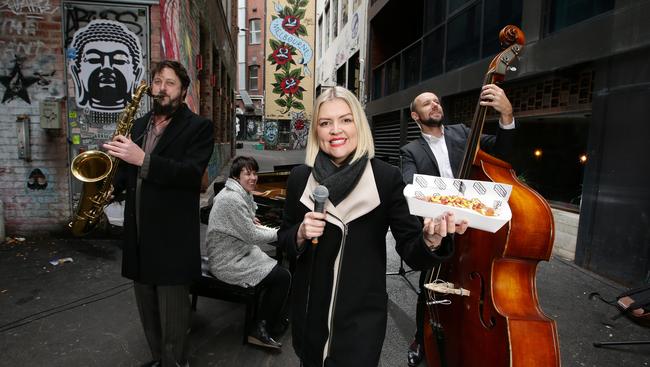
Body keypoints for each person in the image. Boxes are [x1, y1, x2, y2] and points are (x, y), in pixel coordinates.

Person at [276, 86, 469, 367]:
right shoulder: (299, 178)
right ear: (316, 131)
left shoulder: (385, 178)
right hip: (309, 320)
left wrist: (430, 240)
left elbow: (411, 250)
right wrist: (300, 233)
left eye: (345, 120)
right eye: (325, 123)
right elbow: (283, 241)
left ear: (359, 125)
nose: (335, 130)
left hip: (361, 325)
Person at [103, 60, 214, 367]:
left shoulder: (199, 127)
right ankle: (157, 359)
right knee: (148, 310)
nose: (161, 88)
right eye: (157, 81)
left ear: (183, 91)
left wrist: (144, 160)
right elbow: (128, 170)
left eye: (170, 83)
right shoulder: (138, 126)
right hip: (138, 235)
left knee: (173, 316)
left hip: (172, 240)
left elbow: (191, 175)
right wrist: (113, 186)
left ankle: (174, 362)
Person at [400, 85, 516, 367]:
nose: (435, 105)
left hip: (475, 229)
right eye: (427, 103)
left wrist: (507, 116)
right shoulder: (410, 150)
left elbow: (503, 153)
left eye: (437, 101)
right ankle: (422, 336)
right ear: (416, 116)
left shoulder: (464, 133)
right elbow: (412, 186)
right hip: (440, 228)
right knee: (430, 286)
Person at [205, 156, 291, 349]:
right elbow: (252, 235)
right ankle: (258, 331)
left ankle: (270, 320)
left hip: (235, 251)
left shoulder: (238, 193)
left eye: (254, 173)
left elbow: (245, 223)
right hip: (227, 261)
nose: (253, 177)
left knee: (277, 270)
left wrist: (250, 220)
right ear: (236, 176)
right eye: (247, 173)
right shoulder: (232, 199)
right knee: (283, 277)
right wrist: (285, 234)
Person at [69, 19, 144, 112]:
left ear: (136, 75)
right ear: (77, 74)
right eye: (94, 59)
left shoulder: (143, 121)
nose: (107, 67)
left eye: (119, 60)